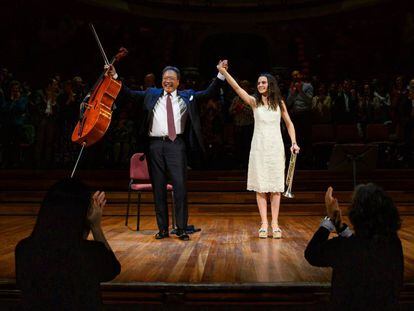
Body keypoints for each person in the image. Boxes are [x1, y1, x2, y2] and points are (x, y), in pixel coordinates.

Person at [107, 63, 226, 241]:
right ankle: (163, 229)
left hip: (176, 145)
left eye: (171, 79)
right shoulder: (151, 94)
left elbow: (209, 92)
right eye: (164, 79)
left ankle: (181, 228)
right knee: (159, 188)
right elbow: (128, 94)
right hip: (155, 145)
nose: (167, 82)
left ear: (178, 82)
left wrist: (221, 74)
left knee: (180, 188)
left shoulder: (188, 96)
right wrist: (115, 76)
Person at [217, 61, 300, 239]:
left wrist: (293, 142)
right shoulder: (254, 102)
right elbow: (238, 89)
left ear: (270, 85)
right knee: (261, 187)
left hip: (276, 148)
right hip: (259, 148)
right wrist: (223, 72)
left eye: (264, 82)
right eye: (259, 82)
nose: (260, 85)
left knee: (276, 187)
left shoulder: (280, 103)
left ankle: (275, 223)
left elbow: (289, 123)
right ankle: (264, 223)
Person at [15, 178, 121, 310]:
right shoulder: (89, 252)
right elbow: (112, 270)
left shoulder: (24, 249)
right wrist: (96, 227)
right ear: (81, 215)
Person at [305, 185, 403, 311]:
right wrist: (339, 226)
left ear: (356, 214)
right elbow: (362, 246)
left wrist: (330, 219)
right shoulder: (394, 245)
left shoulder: (343, 247)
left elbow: (312, 254)